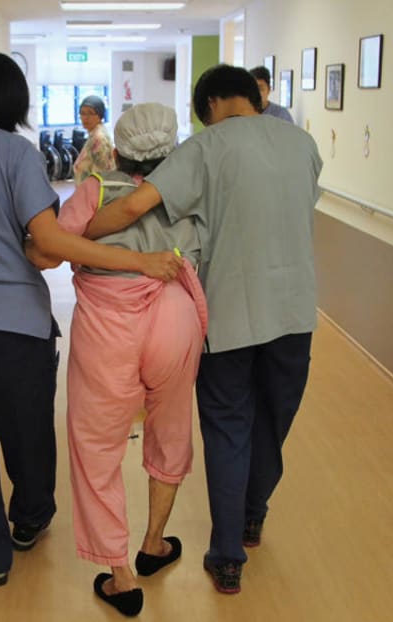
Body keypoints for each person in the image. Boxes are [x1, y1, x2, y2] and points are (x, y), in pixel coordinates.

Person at [0, 53, 182, 590]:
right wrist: (135, 261)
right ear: (15, 100)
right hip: (16, 325)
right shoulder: (18, 154)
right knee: (27, 429)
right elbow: (51, 246)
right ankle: (29, 520)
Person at [85, 64, 323, 595]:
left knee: (227, 428)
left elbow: (135, 205)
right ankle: (253, 512)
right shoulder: (303, 143)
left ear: (212, 102)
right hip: (294, 314)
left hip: (230, 314)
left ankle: (227, 554)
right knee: (273, 420)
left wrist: (81, 230)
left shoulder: (205, 147)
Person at [51, 103, 207, 617]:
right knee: (171, 427)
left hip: (108, 321)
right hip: (174, 313)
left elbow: (55, 244)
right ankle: (154, 543)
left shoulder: (97, 189)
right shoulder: (191, 192)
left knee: (95, 442)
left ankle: (120, 576)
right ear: (173, 144)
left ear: (117, 149)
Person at [72, 95, 116, 185]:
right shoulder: (94, 134)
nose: (86, 117)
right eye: (82, 113)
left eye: (91, 113)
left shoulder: (98, 138)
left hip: (95, 193)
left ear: (100, 115)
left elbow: (102, 173)